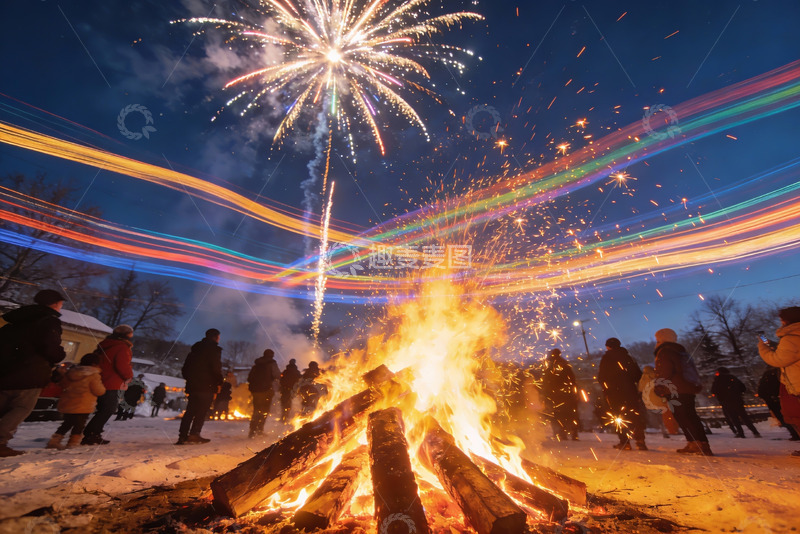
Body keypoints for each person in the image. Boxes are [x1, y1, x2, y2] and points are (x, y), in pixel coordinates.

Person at [0, 289, 67, 457]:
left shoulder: (18, 320)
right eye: (60, 304)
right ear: (55, 304)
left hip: (5, 370)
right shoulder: (48, 321)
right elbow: (50, 347)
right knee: (21, 408)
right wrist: (59, 355)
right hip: (29, 373)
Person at [654, 328, 712, 456]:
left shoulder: (665, 352)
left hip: (675, 389)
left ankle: (695, 444)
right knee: (691, 416)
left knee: (683, 417)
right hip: (687, 388)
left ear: (661, 338)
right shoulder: (680, 352)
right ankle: (702, 443)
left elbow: (664, 372)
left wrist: (658, 387)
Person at [758, 306, 800, 456]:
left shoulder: (792, 338)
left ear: (787, 320)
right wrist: (771, 344)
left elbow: (778, 359)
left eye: (782, 319)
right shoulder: (794, 336)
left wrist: (762, 346)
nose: (780, 322)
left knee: (797, 417)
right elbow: (790, 352)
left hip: (798, 383)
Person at [82, 324, 134, 445]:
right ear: (127, 335)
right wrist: (129, 377)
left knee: (102, 408)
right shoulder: (122, 347)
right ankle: (91, 433)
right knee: (108, 408)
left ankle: (92, 432)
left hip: (100, 378)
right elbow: (122, 365)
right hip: (111, 381)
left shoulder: (104, 344)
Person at [47, 353, 106, 449]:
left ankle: (54, 440)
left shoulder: (71, 372)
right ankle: (72, 443)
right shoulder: (93, 375)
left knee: (67, 423)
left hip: (68, 403)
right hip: (83, 405)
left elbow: (63, 384)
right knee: (79, 425)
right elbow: (98, 391)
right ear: (95, 364)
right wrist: (103, 389)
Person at [598, 338, 647, 450]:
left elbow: (602, 377)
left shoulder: (607, 358)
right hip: (630, 392)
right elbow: (638, 375)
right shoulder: (628, 357)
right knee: (634, 416)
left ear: (608, 346)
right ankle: (640, 441)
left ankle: (625, 442)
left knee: (618, 417)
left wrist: (606, 389)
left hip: (614, 394)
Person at [177, 329, 223, 445]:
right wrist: (219, 382)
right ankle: (194, 434)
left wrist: (191, 380)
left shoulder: (194, 351)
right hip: (207, 386)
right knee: (201, 412)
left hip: (193, 387)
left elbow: (185, 369)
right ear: (215, 337)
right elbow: (215, 368)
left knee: (190, 411)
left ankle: (182, 436)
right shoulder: (214, 350)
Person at [541, 349, 579, 441]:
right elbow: (572, 380)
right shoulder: (565, 364)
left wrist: (544, 393)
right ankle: (574, 434)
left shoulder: (550, 365)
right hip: (567, 394)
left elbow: (546, 381)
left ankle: (560, 434)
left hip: (554, 394)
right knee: (570, 414)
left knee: (557, 415)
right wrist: (574, 392)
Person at [711, 367, 761, 438]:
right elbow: (743, 388)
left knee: (734, 418)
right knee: (744, 417)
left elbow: (713, 391)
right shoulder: (733, 378)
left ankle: (740, 433)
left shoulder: (717, 380)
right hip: (737, 400)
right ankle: (755, 432)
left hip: (726, 402)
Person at [758, 367, 800, 440]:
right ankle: (795, 434)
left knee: (788, 418)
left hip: (776, 399)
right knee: (788, 418)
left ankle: (795, 434)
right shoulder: (778, 373)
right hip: (776, 398)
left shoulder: (775, 374)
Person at [247, 349, 281, 438]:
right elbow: (277, 375)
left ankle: (252, 431)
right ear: (272, 355)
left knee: (256, 410)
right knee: (264, 411)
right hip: (266, 390)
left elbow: (249, 378)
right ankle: (260, 430)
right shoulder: (272, 363)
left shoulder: (257, 364)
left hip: (255, 391)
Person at [639, 365, 679, 437]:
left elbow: (640, 389)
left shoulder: (643, 378)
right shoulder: (657, 376)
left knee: (653, 416)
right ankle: (665, 430)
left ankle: (656, 429)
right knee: (662, 417)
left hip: (649, 402)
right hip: (660, 400)